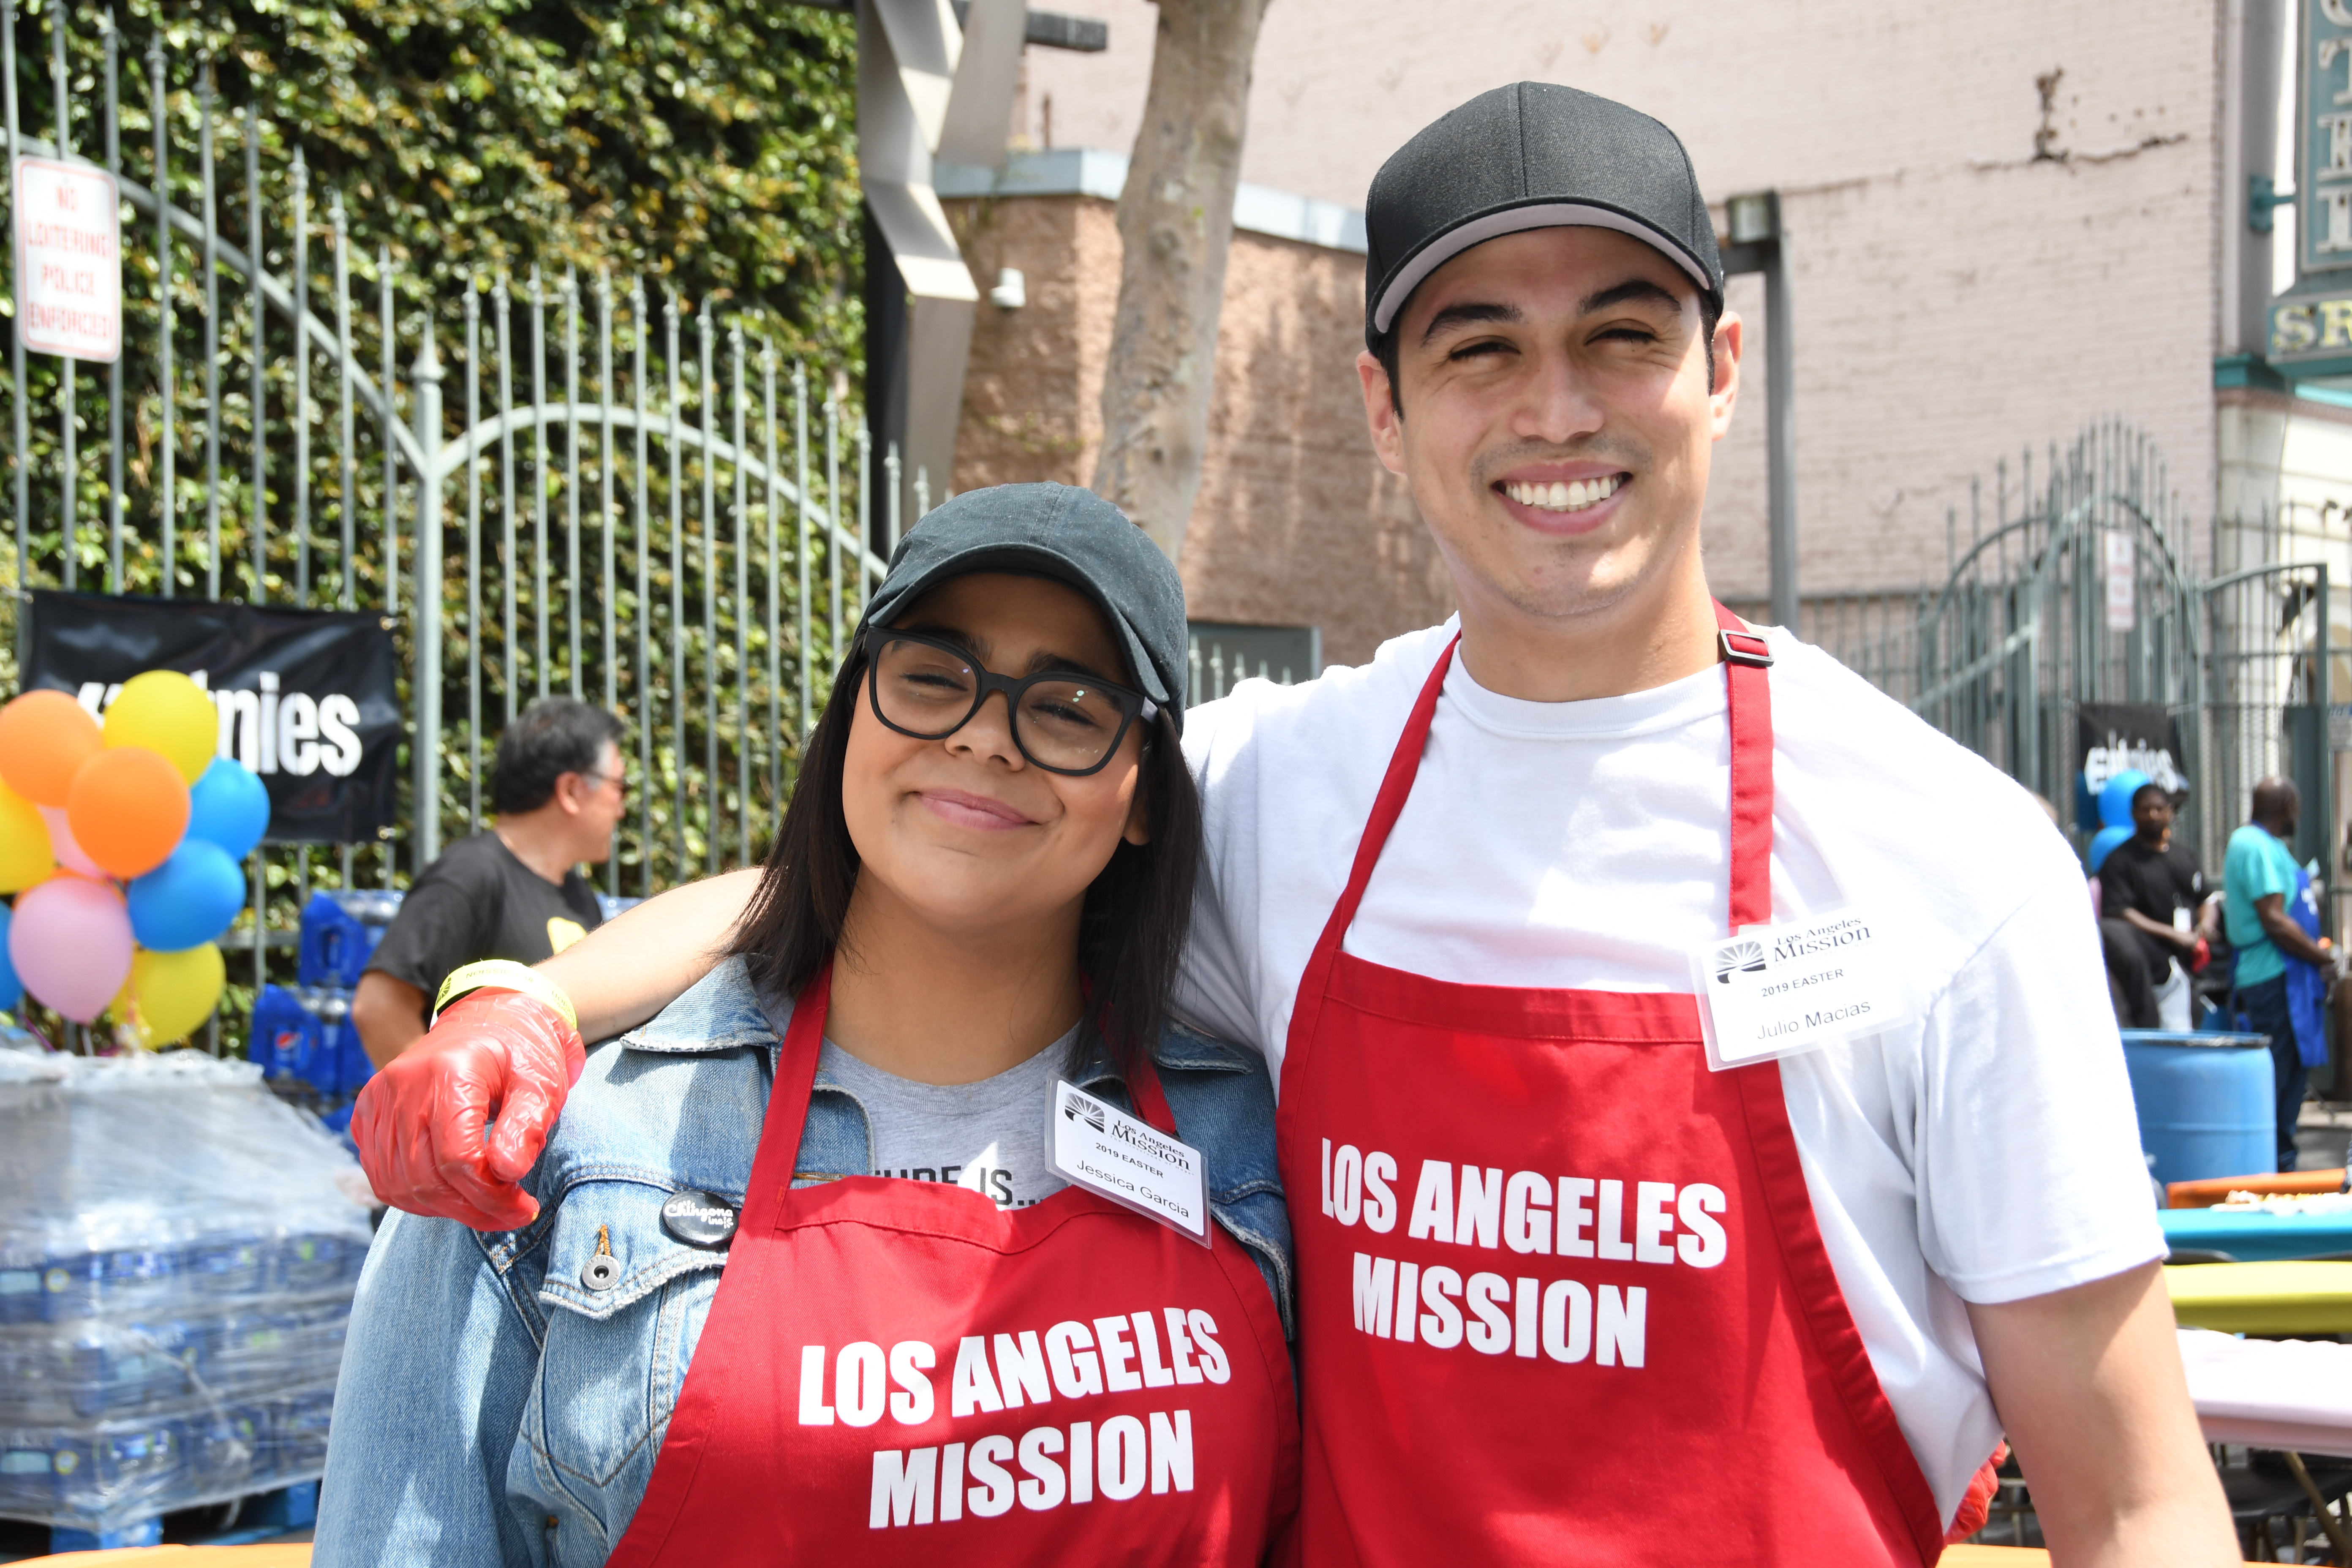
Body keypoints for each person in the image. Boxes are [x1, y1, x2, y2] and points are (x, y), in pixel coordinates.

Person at [351, 85, 2237, 1561]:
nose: (1555, 407)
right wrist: (536, 1002)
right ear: (1381, 407)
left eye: (1624, 333)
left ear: (1718, 370)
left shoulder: (1951, 863)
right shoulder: (1287, 784)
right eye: (1478, 343)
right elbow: (927, 836)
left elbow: (2141, 1506)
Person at [318, 485, 1299, 1564]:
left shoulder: (1249, 1146)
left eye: (1067, 705)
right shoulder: (547, 1154)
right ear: (852, 719)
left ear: (1146, 792)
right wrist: (527, 1000)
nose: (983, 736)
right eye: (932, 677)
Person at [351, 698, 624, 1067]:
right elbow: (379, 1008)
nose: (622, 809)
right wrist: (443, 1107)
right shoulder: (470, 875)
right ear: (572, 790)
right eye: (620, 788)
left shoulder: (580, 898)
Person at [2222, 776, 2335, 1171]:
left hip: (2292, 976)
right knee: (2278, 1076)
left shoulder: (2272, 849)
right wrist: (2325, 958)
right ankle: (2272, 1164)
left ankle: (2281, 1157)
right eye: (2297, 805)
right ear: (2288, 804)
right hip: (2273, 978)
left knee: (2292, 1076)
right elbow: (2274, 920)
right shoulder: (2252, 845)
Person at [2098, 783, 2218, 1032]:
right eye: (2146, 810)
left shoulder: (2186, 855)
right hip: (2149, 968)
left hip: (2188, 960)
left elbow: (2206, 899)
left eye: (2159, 809)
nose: (2153, 815)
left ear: (2171, 811)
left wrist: (2205, 926)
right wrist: (2173, 935)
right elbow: (2120, 913)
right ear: (2133, 814)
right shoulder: (2120, 861)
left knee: (2191, 1021)